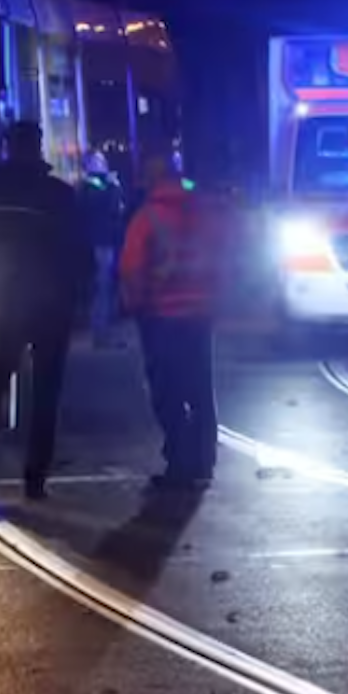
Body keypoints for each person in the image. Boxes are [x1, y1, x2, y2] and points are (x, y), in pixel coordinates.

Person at [0, 120, 94, 502]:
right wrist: (83, 302)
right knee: (46, 395)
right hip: (53, 305)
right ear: (38, 147)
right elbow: (81, 252)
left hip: (8, 302)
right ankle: (35, 480)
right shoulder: (58, 195)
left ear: (7, 146)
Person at [120, 152, 226, 490]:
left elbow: (131, 269)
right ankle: (204, 460)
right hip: (201, 314)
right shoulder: (204, 212)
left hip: (162, 316)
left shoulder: (147, 218)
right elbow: (226, 254)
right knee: (200, 389)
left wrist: (133, 305)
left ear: (152, 179)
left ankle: (180, 461)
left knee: (167, 391)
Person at [79, 151, 129, 348]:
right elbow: (110, 206)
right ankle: (101, 334)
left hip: (105, 241)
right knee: (102, 288)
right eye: (98, 161)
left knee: (105, 287)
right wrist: (113, 186)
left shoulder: (98, 186)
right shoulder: (92, 187)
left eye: (103, 160)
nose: (103, 164)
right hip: (100, 243)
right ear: (90, 165)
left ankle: (103, 332)